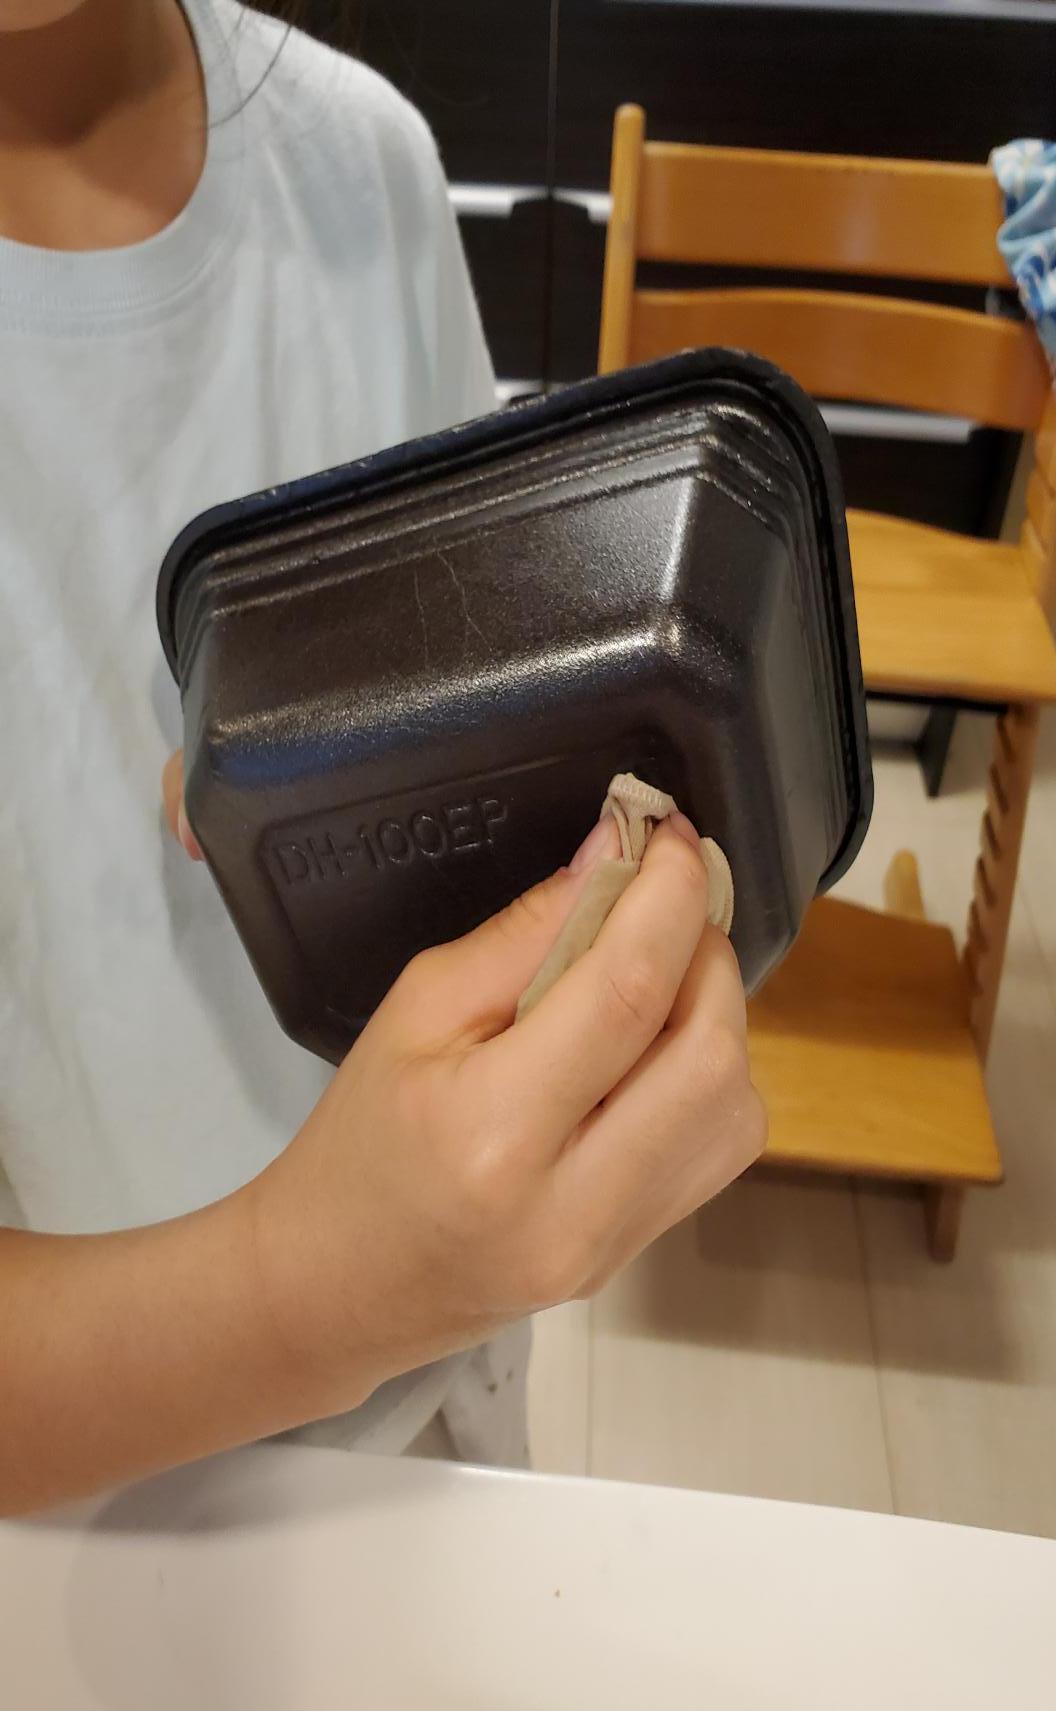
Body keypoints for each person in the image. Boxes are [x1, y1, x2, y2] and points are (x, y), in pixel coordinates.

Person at [0, 0, 766, 1517]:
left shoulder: (364, 169)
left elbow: (492, 703)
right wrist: (309, 1289)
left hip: (442, 1396)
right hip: (93, 1523)